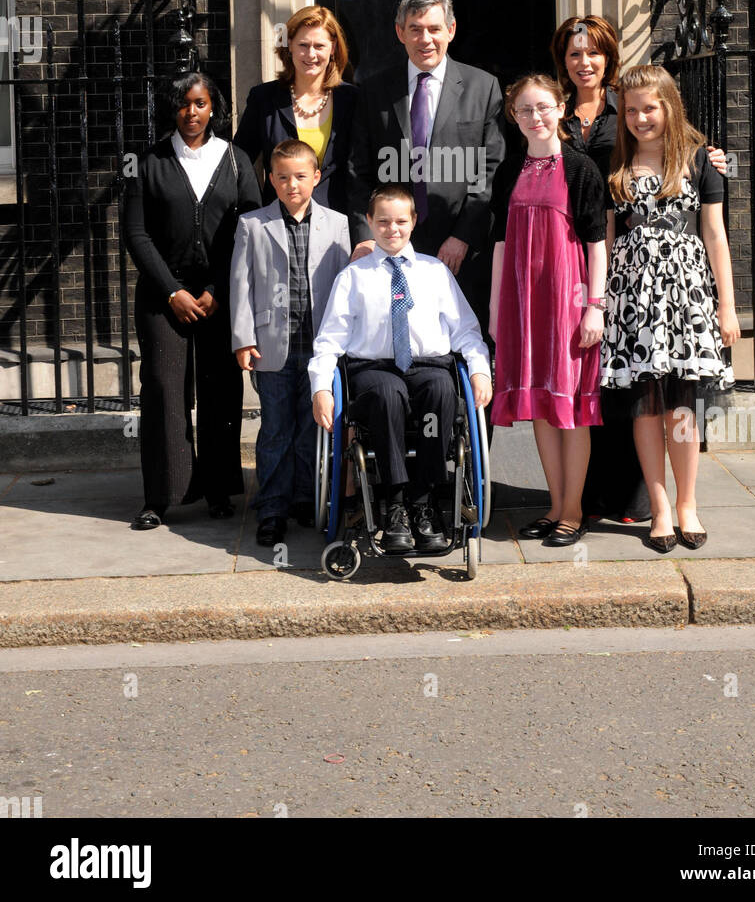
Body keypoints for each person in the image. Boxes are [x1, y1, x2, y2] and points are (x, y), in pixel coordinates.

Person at [550, 14, 729, 525]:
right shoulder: (553, 113)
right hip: (584, 267)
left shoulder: (624, 110)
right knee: (607, 391)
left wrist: (712, 158)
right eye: (573, 54)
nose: (584, 62)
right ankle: (581, 501)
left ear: (609, 57)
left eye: (593, 52)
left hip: (656, 280)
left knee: (660, 399)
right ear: (563, 62)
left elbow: (711, 224)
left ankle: (646, 502)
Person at [601, 64, 740, 552]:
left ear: (669, 106)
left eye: (650, 108)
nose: (641, 118)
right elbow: (607, 242)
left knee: (682, 405)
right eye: (632, 110)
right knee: (645, 405)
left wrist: (727, 307)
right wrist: (598, 305)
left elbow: (716, 236)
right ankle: (658, 508)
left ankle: (688, 505)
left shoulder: (700, 160)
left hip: (688, 302)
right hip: (633, 304)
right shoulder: (616, 167)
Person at [309, 184, 492, 554]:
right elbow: (329, 340)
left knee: (441, 390)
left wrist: (479, 370)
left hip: (428, 365)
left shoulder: (434, 271)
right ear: (369, 223)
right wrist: (321, 388)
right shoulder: (353, 277)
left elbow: (467, 332)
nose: (392, 229)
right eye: (383, 222)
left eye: (400, 222)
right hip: (373, 367)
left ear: (413, 222)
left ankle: (424, 504)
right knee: (385, 395)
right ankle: (394, 504)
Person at [125, 71, 261, 530]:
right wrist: (172, 290)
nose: (191, 113)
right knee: (164, 388)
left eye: (200, 103)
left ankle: (220, 489)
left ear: (212, 108)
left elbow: (249, 233)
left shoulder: (237, 160)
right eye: (183, 104)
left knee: (221, 388)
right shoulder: (149, 162)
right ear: (173, 108)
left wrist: (218, 291)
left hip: (220, 293)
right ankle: (161, 495)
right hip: (163, 294)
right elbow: (136, 234)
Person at [489, 75, 607, 548]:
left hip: (568, 302)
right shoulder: (508, 170)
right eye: (523, 110)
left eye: (542, 107)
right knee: (541, 405)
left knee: (572, 408)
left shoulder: (581, 169)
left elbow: (597, 246)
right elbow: (499, 244)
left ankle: (574, 511)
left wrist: (593, 309)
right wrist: (497, 311)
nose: (534, 117)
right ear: (513, 117)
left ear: (561, 109)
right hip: (523, 304)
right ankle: (555, 505)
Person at [345, 0, 505, 320]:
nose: (425, 39)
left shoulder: (483, 87)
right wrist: (367, 236)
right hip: (390, 242)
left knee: (459, 343)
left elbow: (489, 170)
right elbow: (358, 170)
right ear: (400, 32)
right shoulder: (374, 90)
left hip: (460, 250)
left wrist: (463, 235)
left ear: (451, 30)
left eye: (434, 28)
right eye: (415, 29)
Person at [230, 139, 351, 546]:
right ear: (270, 179)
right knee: (276, 429)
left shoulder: (337, 224)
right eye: (282, 177)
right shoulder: (253, 224)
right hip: (271, 347)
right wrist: (243, 339)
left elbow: (344, 287)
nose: (291, 184)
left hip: (319, 348)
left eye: (300, 176)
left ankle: (305, 498)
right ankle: (272, 507)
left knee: (310, 430)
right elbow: (241, 285)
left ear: (316, 177)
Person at [233, 4, 357, 213]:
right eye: (303, 45)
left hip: (338, 225)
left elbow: (362, 169)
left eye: (319, 46)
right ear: (289, 45)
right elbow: (240, 163)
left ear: (333, 48)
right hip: (277, 223)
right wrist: (256, 210)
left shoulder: (352, 99)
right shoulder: (264, 99)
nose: (310, 54)